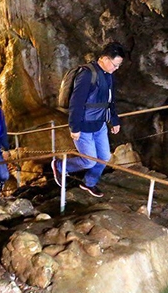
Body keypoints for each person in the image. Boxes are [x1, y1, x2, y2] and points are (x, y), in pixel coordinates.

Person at [53, 42, 125, 197]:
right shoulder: (86, 74)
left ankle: (89, 183)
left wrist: (114, 120)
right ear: (105, 59)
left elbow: (110, 100)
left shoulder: (108, 76)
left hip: (100, 124)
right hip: (84, 126)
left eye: (118, 66)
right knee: (89, 161)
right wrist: (75, 127)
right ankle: (59, 166)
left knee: (104, 157)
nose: (116, 68)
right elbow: (76, 102)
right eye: (115, 65)